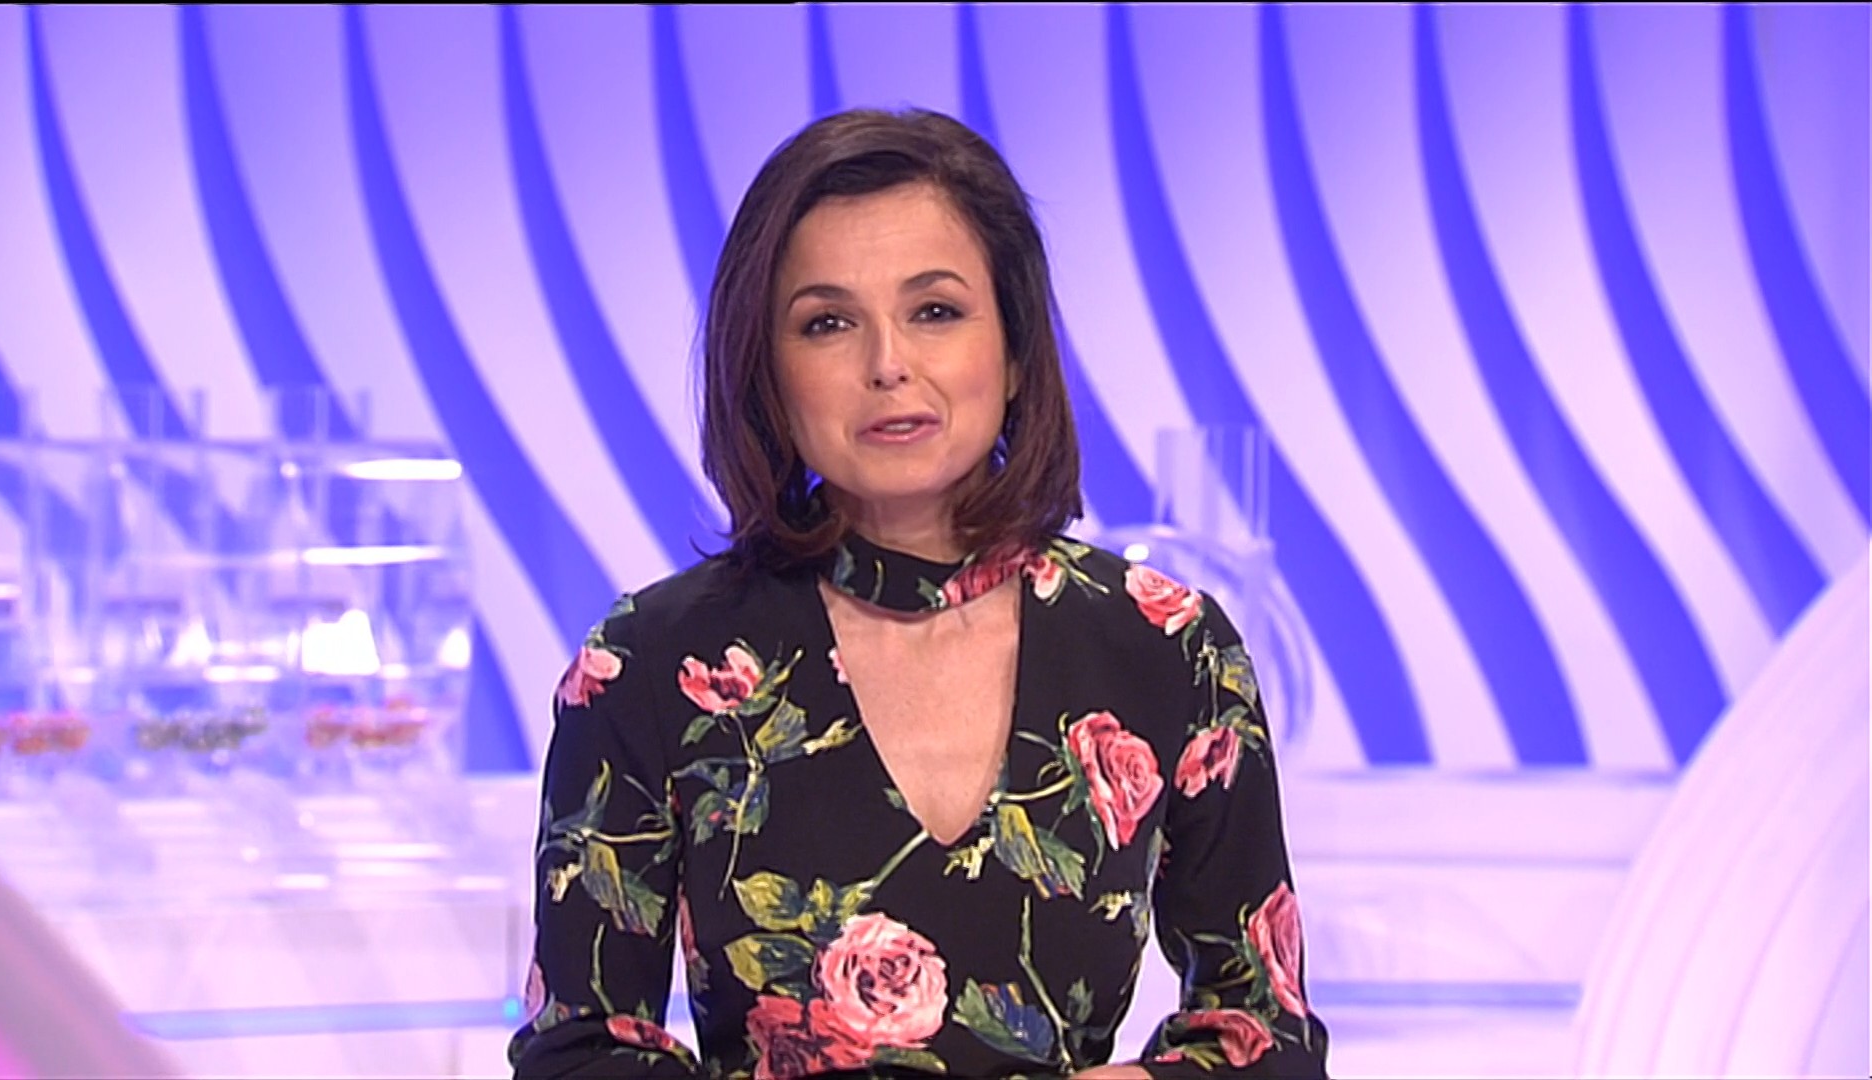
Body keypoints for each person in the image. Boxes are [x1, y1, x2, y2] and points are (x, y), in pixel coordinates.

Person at [509, 108, 1328, 1079]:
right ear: (767, 373)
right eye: (827, 323)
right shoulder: (652, 664)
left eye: (935, 311)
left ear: (1014, 350)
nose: (888, 364)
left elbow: (1265, 1037)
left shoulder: (1168, 646)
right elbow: (578, 1053)